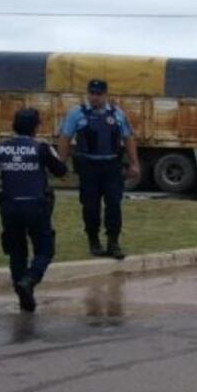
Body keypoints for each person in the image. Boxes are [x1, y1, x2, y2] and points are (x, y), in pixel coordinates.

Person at [0, 108, 68, 312]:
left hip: (9, 206)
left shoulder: (0, 148)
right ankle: (30, 280)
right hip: (36, 206)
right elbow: (61, 170)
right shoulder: (41, 147)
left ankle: (24, 296)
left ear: (14, 125)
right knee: (45, 249)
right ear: (35, 127)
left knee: (17, 253)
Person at [58, 79, 140, 260]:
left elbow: (128, 138)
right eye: (92, 93)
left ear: (106, 94)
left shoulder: (117, 113)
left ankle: (113, 242)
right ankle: (93, 240)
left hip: (111, 166)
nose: (94, 97)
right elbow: (65, 137)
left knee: (114, 205)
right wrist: (61, 165)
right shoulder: (77, 113)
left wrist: (134, 163)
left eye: (99, 94)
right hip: (88, 167)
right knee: (90, 207)